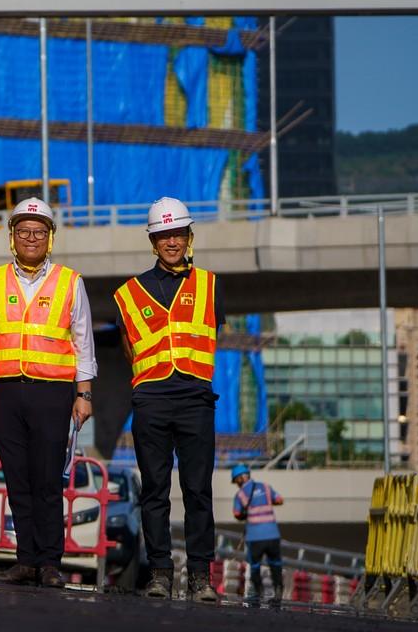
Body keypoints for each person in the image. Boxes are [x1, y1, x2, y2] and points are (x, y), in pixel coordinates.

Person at [0, 197, 96, 589]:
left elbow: (83, 341)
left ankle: (50, 562)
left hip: (52, 393)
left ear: (50, 237)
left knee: (47, 480)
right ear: (12, 236)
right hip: (7, 393)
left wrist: (84, 394)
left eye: (39, 232)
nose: (31, 238)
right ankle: (25, 559)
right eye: (23, 231)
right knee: (17, 480)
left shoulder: (70, 281)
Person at [116, 197, 221, 603]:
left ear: (189, 236)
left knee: (198, 491)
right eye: (163, 236)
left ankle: (200, 576)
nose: (171, 242)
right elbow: (128, 347)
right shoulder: (129, 293)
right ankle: (159, 573)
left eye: (177, 234)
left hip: (195, 397)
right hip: (151, 399)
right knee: (154, 490)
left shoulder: (210, 285)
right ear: (153, 241)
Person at [232, 464, 285, 603]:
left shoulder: (240, 494)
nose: (237, 484)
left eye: (236, 481)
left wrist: (246, 514)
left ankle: (258, 593)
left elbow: (236, 513)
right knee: (275, 563)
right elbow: (279, 500)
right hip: (272, 534)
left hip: (255, 537)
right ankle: (278, 591)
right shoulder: (266, 487)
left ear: (240, 478)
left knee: (255, 565)